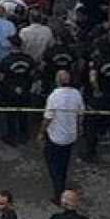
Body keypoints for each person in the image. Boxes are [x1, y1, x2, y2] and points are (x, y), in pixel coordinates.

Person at [40, 69, 85, 203]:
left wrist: (41, 132)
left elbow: (48, 118)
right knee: (64, 162)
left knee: (52, 163)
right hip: (70, 136)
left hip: (56, 137)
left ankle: (58, 191)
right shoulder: (76, 94)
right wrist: (78, 129)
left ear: (57, 80)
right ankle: (62, 183)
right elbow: (80, 115)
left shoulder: (54, 96)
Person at [0, 35, 37, 145]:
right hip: (25, 89)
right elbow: (32, 74)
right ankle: (23, 136)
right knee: (23, 113)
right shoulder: (29, 59)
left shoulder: (6, 60)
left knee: (11, 114)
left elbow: (1, 77)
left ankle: (11, 136)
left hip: (10, 90)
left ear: (11, 45)